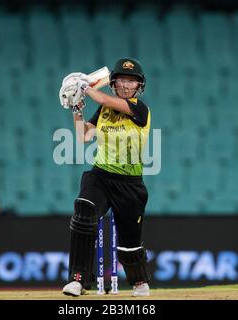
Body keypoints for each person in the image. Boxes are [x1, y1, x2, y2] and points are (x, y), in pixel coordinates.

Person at [59, 58, 151, 297]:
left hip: (130, 182)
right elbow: (84, 136)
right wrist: (77, 111)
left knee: (130, 241)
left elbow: (103, 98)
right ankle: (78, 280)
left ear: (138, 86)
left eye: (132, 81)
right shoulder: (104, 109)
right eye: (122, 80)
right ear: (113, 83)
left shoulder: (139, 108)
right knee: (84, 212)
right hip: (101, 175)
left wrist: (84, 87)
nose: (126, 85)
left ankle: (140, 282)